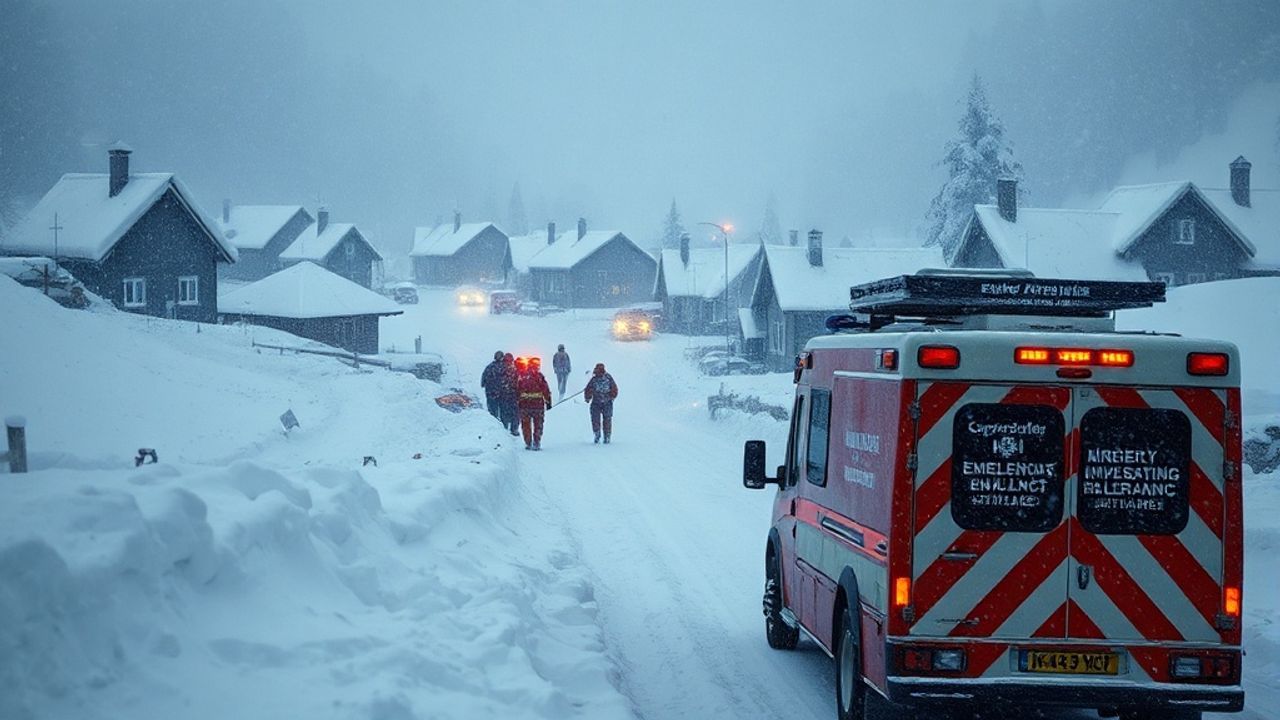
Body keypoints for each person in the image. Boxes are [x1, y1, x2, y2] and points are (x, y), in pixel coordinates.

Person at [517, 356, 552, 450]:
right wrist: (548, 402)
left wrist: (517, 401)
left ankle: (528, 442)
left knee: (526, 425)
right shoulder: (539, 376)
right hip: (538, 406)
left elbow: (517, 390)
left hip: (525, 406)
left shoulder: (522, 376)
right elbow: (546, 390)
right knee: (538, 424)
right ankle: (537, 442)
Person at [583, 362, 619, 444]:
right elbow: (614, 388)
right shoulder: (608, 378)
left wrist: (587, 398)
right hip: (606, 402)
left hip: (598, 402)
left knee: (596, 419)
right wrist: (612, 397)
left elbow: (588, 389)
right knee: (606, 419)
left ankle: (598, 433)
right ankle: (605, 435)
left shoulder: (594, 379)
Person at [499, 353, 520, 436]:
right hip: (512, 395)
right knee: (514, 413)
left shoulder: (500, 369)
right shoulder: (514, 370)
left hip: (505, 395)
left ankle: (505, 429)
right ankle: (513, 429)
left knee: (505, 412)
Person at [480, 350, 505, 420]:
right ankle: (502, 427)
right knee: (502, 411)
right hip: (501, 393)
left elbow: (483, 382)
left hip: (490, 392)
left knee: (492, 412)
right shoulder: (504, 367)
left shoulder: (489, 367)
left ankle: (494, 424)